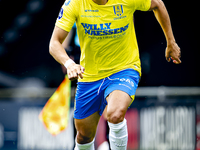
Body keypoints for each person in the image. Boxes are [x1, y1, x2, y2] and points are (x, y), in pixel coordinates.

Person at [49, 0, 181, 149]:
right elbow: (54, 43)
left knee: (115, 113)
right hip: (90, 75)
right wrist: (69, 63)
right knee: (83, 135)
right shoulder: (74, 3)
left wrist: (171, 42)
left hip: (124, 68)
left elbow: (158, 4)